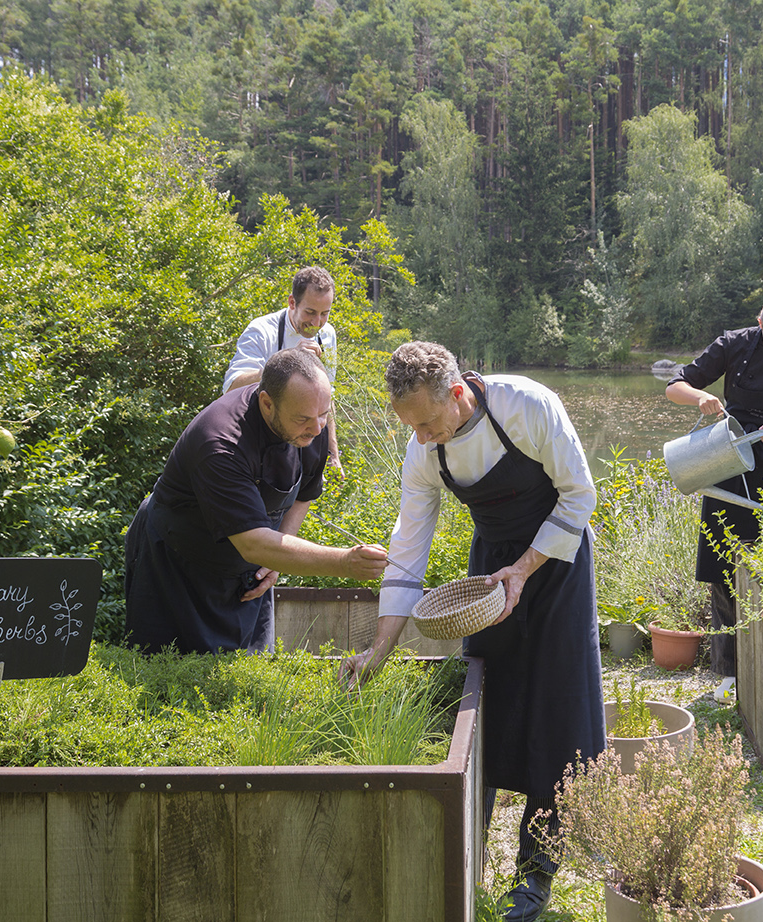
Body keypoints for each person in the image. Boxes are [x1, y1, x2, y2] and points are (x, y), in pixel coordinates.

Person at [337, 342, 603, 922]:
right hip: (489, 575)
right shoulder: (422, 451)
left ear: (457, 394)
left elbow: (580, 494)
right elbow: (408, 550)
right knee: (488, 701)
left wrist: (525, 569)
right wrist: (379, 649)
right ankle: (469, 850)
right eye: (412, 426)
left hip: (555, 561)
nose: (423, 437)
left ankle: (536, 872)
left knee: (558, 709)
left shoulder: (529, 405)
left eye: (429, 423)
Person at [125, 349, 387, 654]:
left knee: (249, 674)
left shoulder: (312, 422)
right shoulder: (220, 442)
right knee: (168, 675)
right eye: (303, 419)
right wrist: (344, 563)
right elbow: (253, 544)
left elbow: (304, 494)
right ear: (267, 403)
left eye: (324, 415)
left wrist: (278, 555)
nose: (317, 430)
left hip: (248, 569)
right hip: (176, 564)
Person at [665, 293, 763, 702]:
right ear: (759, 323)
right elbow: (675, 385)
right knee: (722, 571)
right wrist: (700, 397)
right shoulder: (733, 344)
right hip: (727, 461)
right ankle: (729, 675)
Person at [224, 266, 341, 467]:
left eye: (324, 314)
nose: (316, 322)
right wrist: (285, 361)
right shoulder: (260, 331)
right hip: (254, 436)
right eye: (310, 312)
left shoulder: (327, 334)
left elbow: (326, 397)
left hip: (301, 437)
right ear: (292, 302)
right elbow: (231, 388)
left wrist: (332, 454)